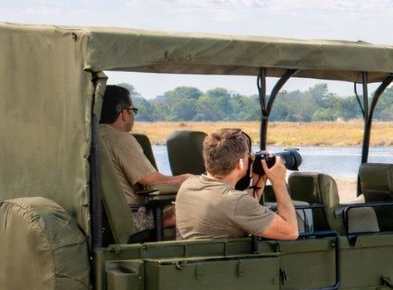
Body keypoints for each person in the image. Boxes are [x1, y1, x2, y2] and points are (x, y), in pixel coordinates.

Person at [175, 128, 299, 241]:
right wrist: (278, 182)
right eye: (247, 156)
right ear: (240, 164)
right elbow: (291, 232)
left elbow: (240, 211)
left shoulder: (188, 185)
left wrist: (259, 178)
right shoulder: (236, 202)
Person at [99, 84, 191, 232]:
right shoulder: (120, 139)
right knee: (191, 210)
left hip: (102, 221)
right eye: (133, 110)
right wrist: (188, 179)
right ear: (124, 113)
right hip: (129, 220)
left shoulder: (93, 136)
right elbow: (152, 180)